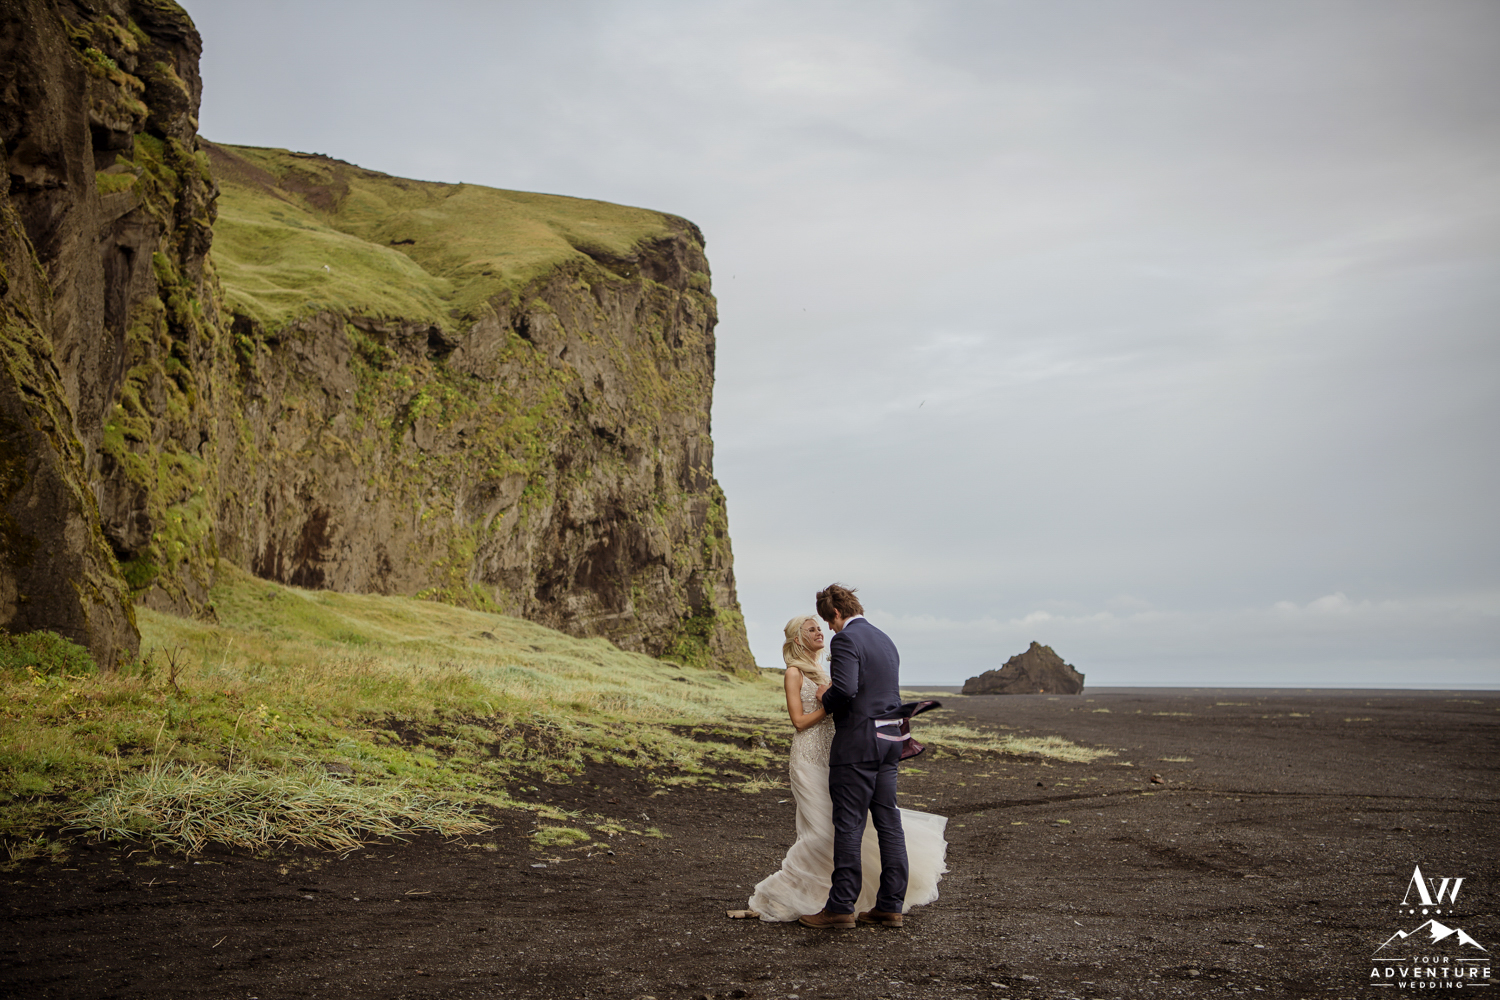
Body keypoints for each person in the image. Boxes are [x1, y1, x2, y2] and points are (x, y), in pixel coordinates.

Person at [742, 597, 947, 926]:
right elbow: (806, 717)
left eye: (826, 623)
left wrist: (829, 696)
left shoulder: (843, 646)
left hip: (852, 748)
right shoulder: (882, 640)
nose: (826, 629)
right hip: (850, 747)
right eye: (813, 627)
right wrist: (828, 701)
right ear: (798, 638)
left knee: (848, 826)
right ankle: (888, 904)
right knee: (878, 823)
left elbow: (848, 691)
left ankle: (839, 906)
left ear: (837, 613)